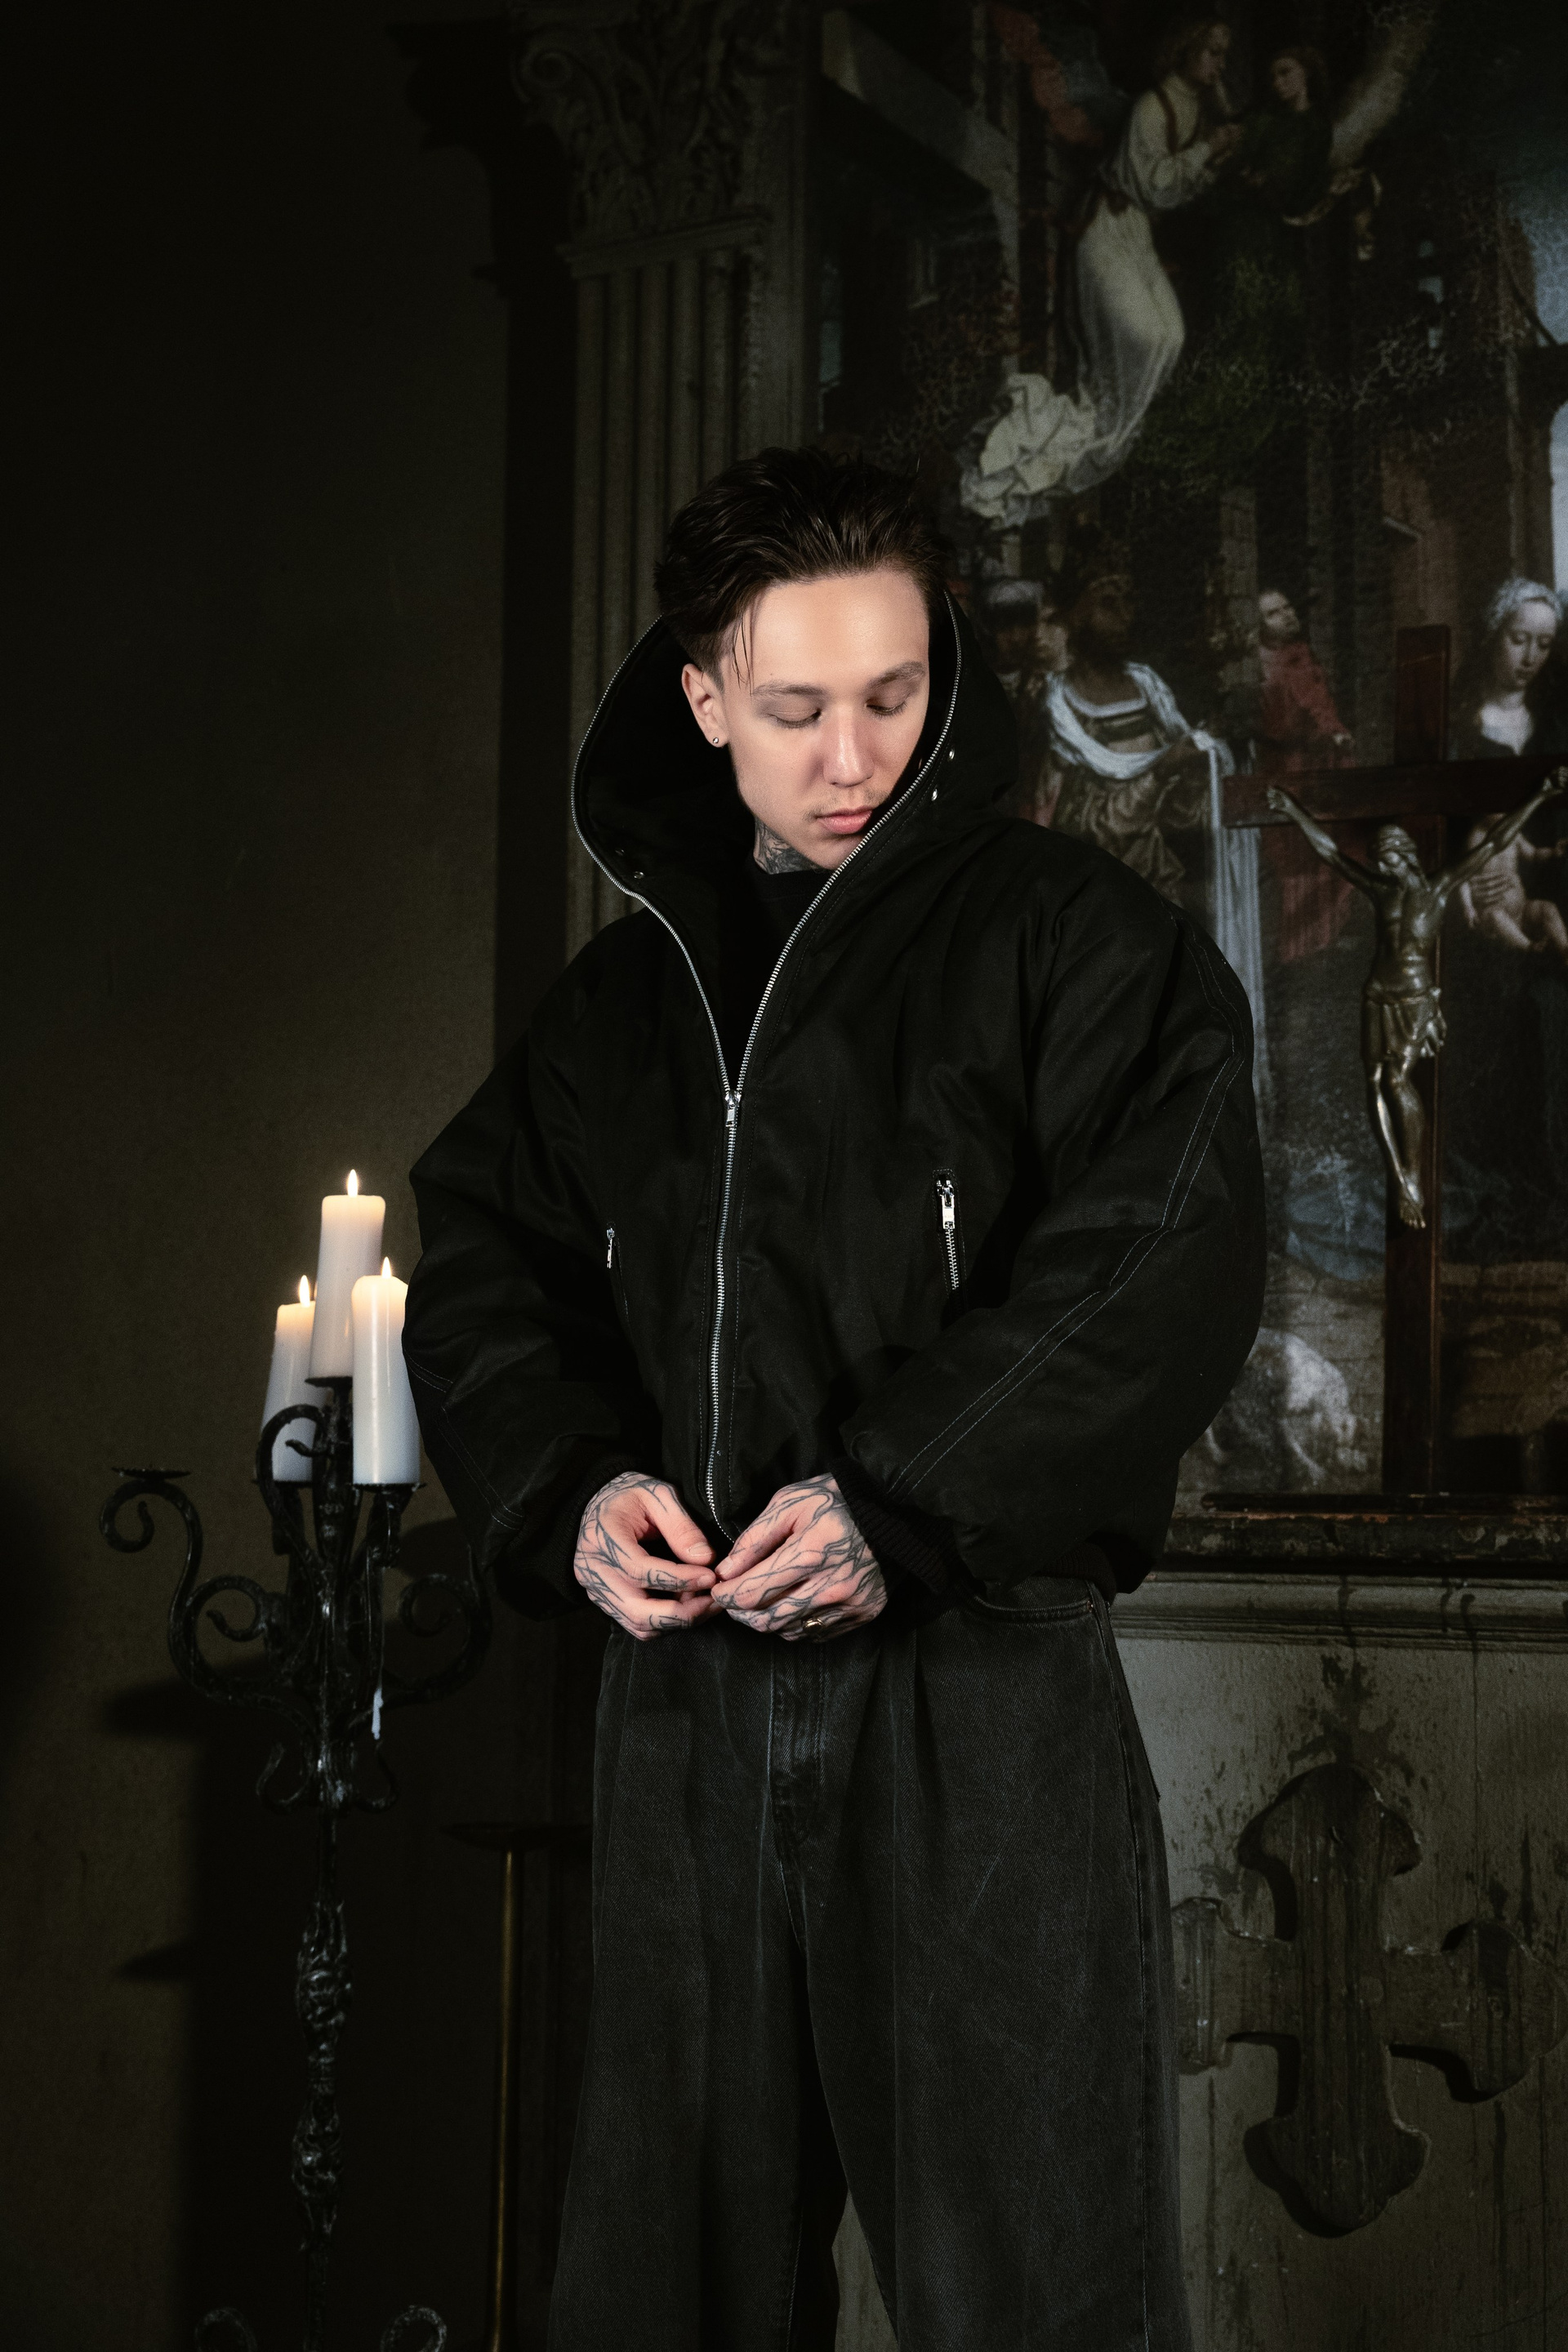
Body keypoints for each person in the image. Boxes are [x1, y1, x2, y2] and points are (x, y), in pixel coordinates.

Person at [403, 448, 1265, 2352]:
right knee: (661, 2295)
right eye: (794, 708)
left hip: (981, 1692)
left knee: (1036, 2295)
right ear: (703, 699)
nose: (853, 756)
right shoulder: (621, 1008)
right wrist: (568, 1487)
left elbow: (1162, 1249)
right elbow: (477, 1263)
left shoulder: (1076, 941)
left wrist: (898, 1501)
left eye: (893, 693)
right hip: (685, 1708)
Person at [962, 16, 1243, 519]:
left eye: (1224, 55)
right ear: (1186, 48)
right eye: (1212, 52)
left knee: (1172, 337)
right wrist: (1208, 149)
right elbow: (1153, 185)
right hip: (1106, 225)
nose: (1219, 65)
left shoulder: (1196, 110)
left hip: (1136, 233)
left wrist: (1214, 154)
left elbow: (1180, 190)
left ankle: (1108, 436)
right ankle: (1083, 434)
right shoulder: (1152, 107)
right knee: (1146, 337)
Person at [1450, 577, 1564, 760]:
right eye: (1518, 640)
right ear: (1493, 637)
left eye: (1544, 644)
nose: (1530, 658)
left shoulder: (1554, 722)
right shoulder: (1459, 722)